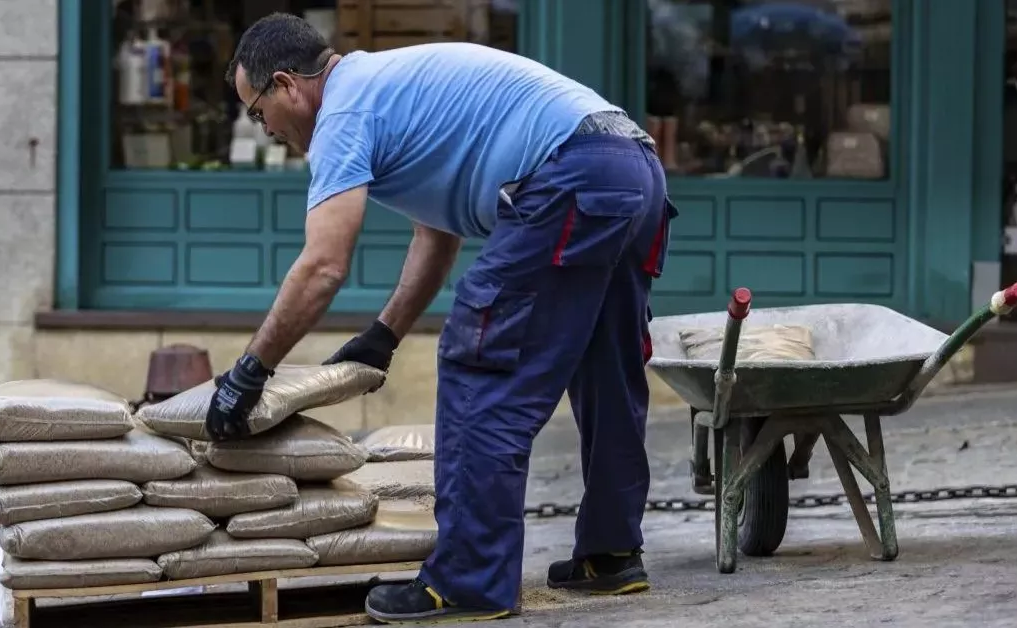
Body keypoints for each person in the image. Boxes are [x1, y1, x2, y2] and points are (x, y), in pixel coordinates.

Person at [208, 12, 677, 624]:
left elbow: (323, 266)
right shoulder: (387, 90)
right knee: (605, 365)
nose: (267, 130)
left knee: (479, 364)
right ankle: (611, 554)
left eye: (257, 112)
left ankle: (469, 582)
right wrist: (383, 335)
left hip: (570, 175)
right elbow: (437, 233)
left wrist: (250, 371)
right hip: (631, 165)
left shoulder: (343, 114)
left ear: (286, 85)